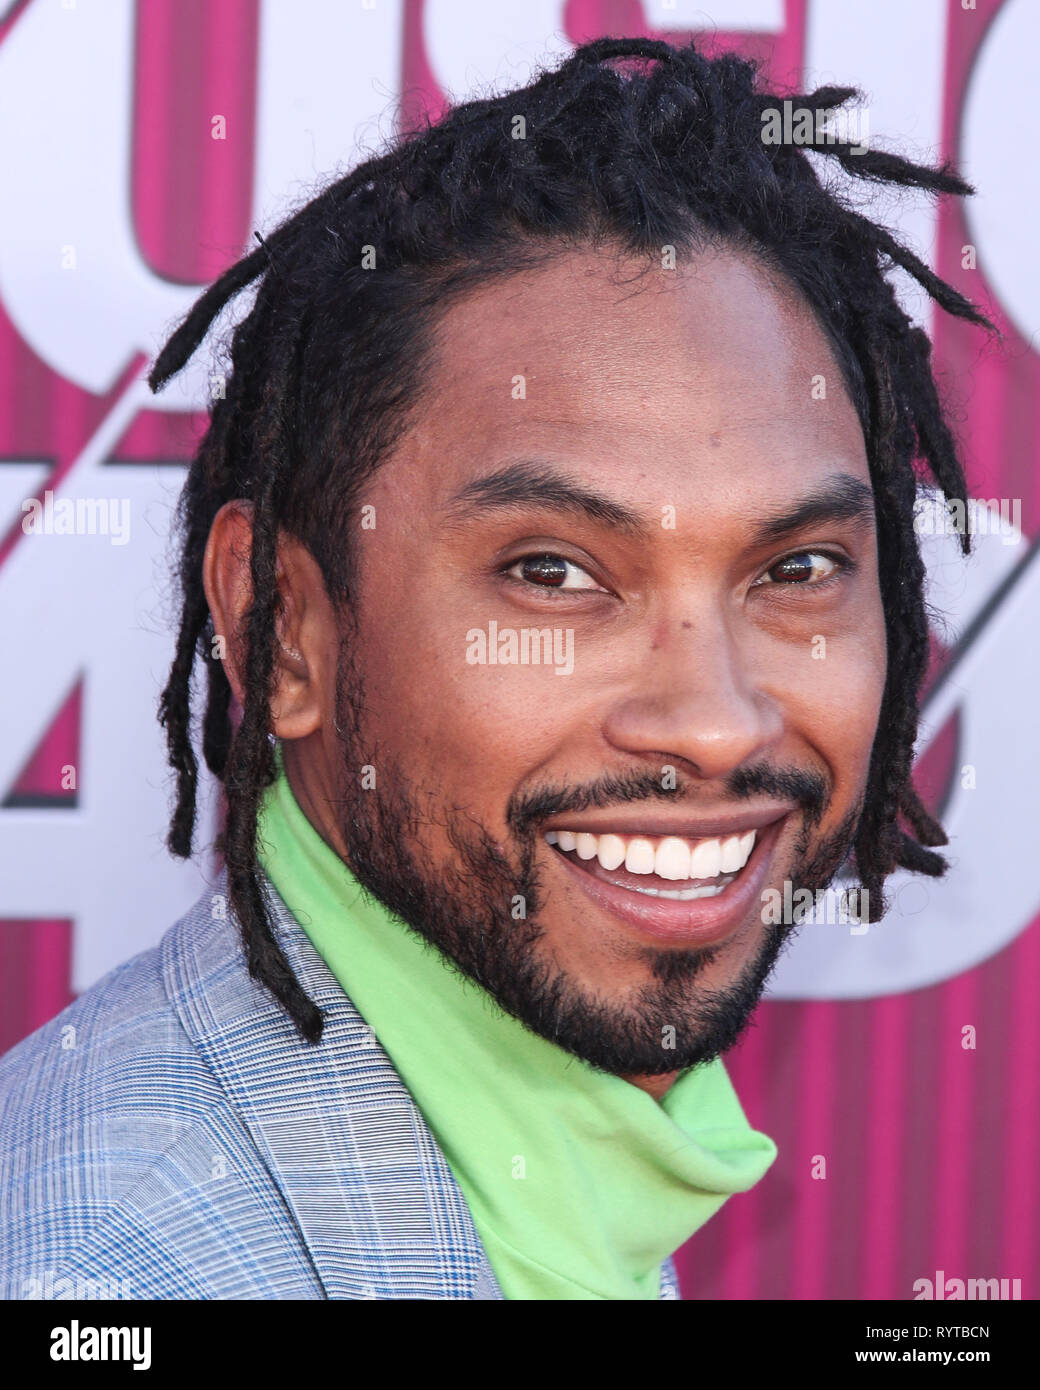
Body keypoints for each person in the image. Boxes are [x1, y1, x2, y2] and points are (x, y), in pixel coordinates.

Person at [0, 35, 990, 1300]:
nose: (712, 724)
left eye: (793, 569)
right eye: (553, 572)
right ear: (278, 628)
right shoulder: (114, 1280)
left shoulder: (568, 1161)